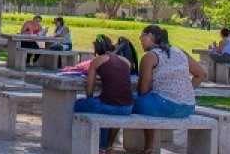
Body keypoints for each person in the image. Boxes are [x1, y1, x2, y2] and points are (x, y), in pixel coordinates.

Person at [133, 25, 208, 154]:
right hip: (187, 107)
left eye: (142, 37)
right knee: (150, 101)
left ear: (151, 36)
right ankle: (149, 147)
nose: (140, 41)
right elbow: (201, 74)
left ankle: (148, 146)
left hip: (166, 106)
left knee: (130, 99)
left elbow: (143, 91)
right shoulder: (181, 52)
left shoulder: (150, 57)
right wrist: (186, 91)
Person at [73, 35, 133, 154]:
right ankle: (104, 146)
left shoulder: (96, 61)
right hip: (128, 107)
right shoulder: (126, 62)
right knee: (104, 107)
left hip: (109, 107)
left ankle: (83, 144)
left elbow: (89, 92)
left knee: (78, 105)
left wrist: (90, 99)